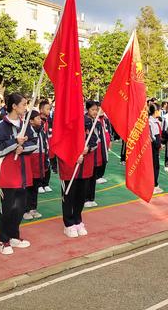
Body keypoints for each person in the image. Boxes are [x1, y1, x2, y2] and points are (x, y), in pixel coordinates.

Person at [0, 93, 37, 254]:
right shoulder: (2, 127)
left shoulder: (26, 125)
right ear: (14, 106)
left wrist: (22, 148)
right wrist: (14, 143)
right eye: (23, 104)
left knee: (20, 208)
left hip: (23, 173)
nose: (26, 107)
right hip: (8, 174)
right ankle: (3, 240)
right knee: (7, 208)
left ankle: (14, 236)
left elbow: (34, 143)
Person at [58, 101, 98, 238]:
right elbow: (58, 144)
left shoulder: (87, 122)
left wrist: (87, 149)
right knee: (69, 195)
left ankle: (77, 219)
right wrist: (74, 155)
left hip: (84, 166)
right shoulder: (62, 123)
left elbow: (94, 140)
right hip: (69, 166)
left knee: (81, 195)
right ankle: (68, 223)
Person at [24, 109, 45, 220]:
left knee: (35, 188)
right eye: (37, 118)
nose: (40, 120)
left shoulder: (41, 130)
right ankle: (25, 209)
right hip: (30, 162)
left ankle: (33, 208)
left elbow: (44, 145)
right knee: (28, 187)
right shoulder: (26, 131)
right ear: (31, 121)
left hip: (39, 162)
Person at [149, 102, 163, 194]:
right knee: (154, 166)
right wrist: (158, 145)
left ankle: (155, 183)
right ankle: (152, 185)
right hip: (152, 148)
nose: (161, 111)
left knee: (156, 166)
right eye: (160, 110)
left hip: (156, 146)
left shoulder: (156, 121)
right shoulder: (150, 122)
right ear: (156, 111)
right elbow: (152, 137)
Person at [96, 106, 112, 185]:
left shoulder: (106, 119)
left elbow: (109, 130)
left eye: (102, 109)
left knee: (104, 158)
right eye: (99, 109)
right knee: (98, 159)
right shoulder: (95, 119)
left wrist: (110, 141)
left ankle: (101, 175)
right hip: (99, 143)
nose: (101, 111)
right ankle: (97, 176)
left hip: (106, 142)